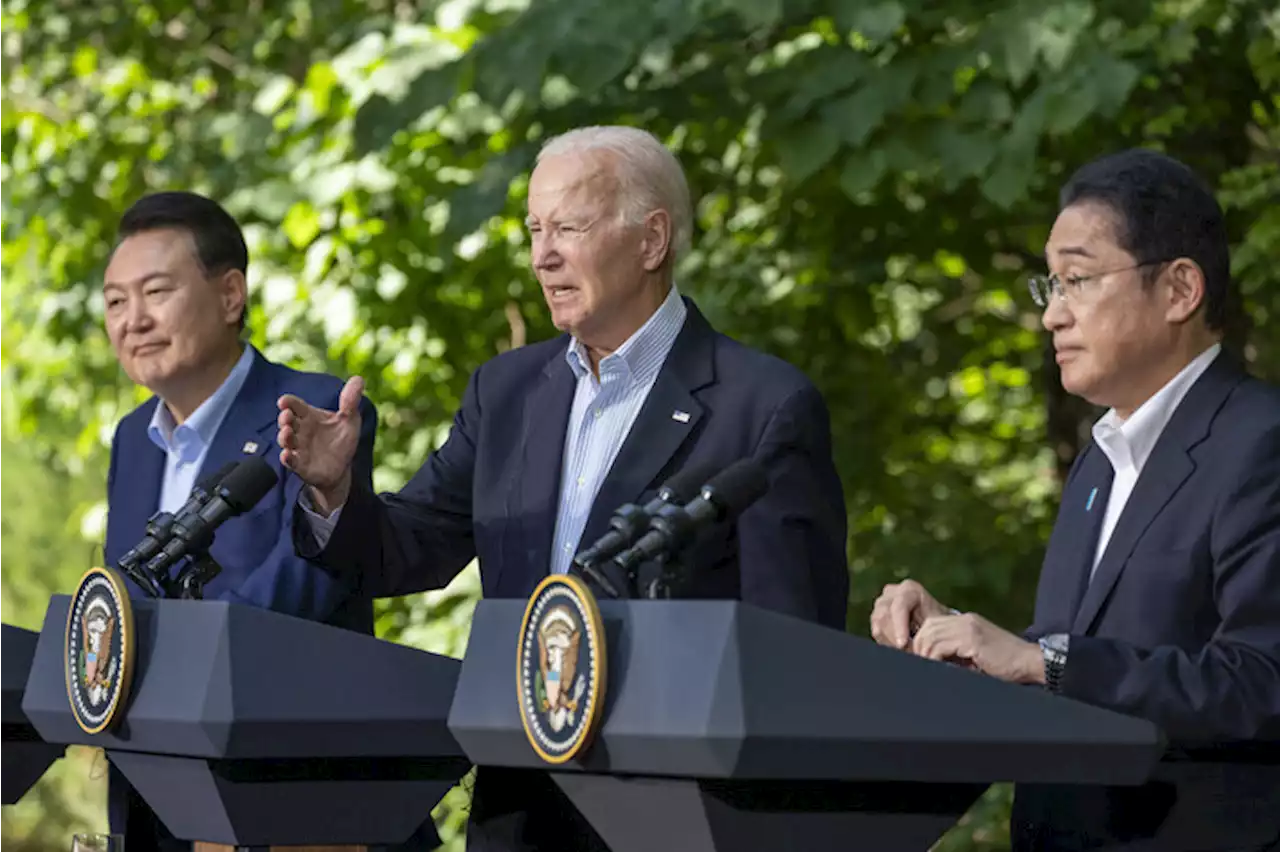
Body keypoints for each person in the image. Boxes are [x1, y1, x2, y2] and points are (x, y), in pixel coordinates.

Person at [277, 125, 850, 850]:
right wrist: (333, 491)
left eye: (569, 228)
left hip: (677, 816)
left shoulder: (763, 406)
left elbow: (793, 649)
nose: (542, 255)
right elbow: (406, 549)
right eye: (534, 230)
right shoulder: (507, 390)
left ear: (651, 241)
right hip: (518, 810)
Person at [870, 149, 1280, 851]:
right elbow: (1083, 665)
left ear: (1180, 289)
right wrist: (974, 647)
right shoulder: (1098, 462)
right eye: (1050, 287)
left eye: (1079, 281)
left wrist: (1045, 662)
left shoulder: (1259, 445)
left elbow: (1262, 683)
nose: (1052, 316)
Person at [101, 191, 379, 851]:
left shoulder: (311, 409)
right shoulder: (131, 437)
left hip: (283, 800)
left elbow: (307, 589)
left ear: (231, 296)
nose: (132, 319)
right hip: (153, 796)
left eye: (155, 292)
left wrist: (169, 670)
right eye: (115, 301)